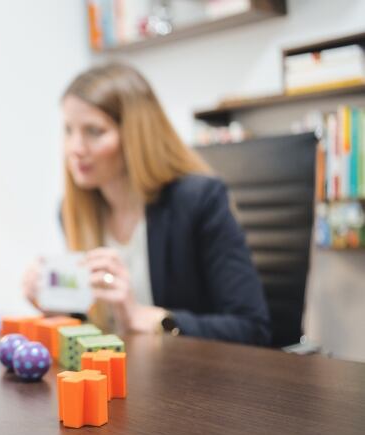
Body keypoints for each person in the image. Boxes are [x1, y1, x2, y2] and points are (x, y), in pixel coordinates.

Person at [22, 63, 271, 345]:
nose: (75, 148)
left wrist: (151, 319)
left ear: (136, 135)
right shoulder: (73, 210)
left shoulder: (198, 201)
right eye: (69, 130)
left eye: (93, 131)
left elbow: (252, 329)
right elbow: (101, 328)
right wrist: (60, 311)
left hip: (191, 380)